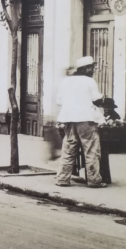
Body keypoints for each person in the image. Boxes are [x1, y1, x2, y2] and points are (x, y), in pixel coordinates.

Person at [54, 55, 106, 189]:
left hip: (68, 118)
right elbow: (97, 99)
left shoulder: (65, 81)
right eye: (92, 67)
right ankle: (94, 180)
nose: (94, 70)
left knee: (69, 149)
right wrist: (102, 99)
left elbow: (59, 101)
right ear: (86, 68)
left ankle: (62, 179)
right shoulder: (89, 81)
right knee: (91, 150)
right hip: (86, 119)